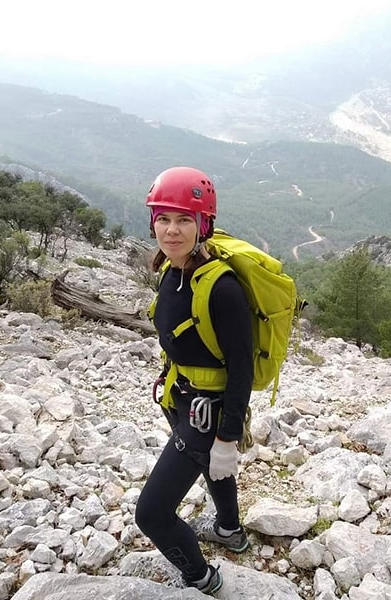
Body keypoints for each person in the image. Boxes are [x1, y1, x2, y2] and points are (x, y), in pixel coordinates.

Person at [134, 166, 253, 595]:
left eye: (184, 220)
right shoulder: (173, 270)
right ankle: (229, 530)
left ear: (204, 224)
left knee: (151, 514)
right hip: (182, 397)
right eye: (163, 219)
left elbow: (242, 370)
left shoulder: (222, 289)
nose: (172, 230)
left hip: (208, 412)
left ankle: (203, 579)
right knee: (208, 469)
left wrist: (227, 439)